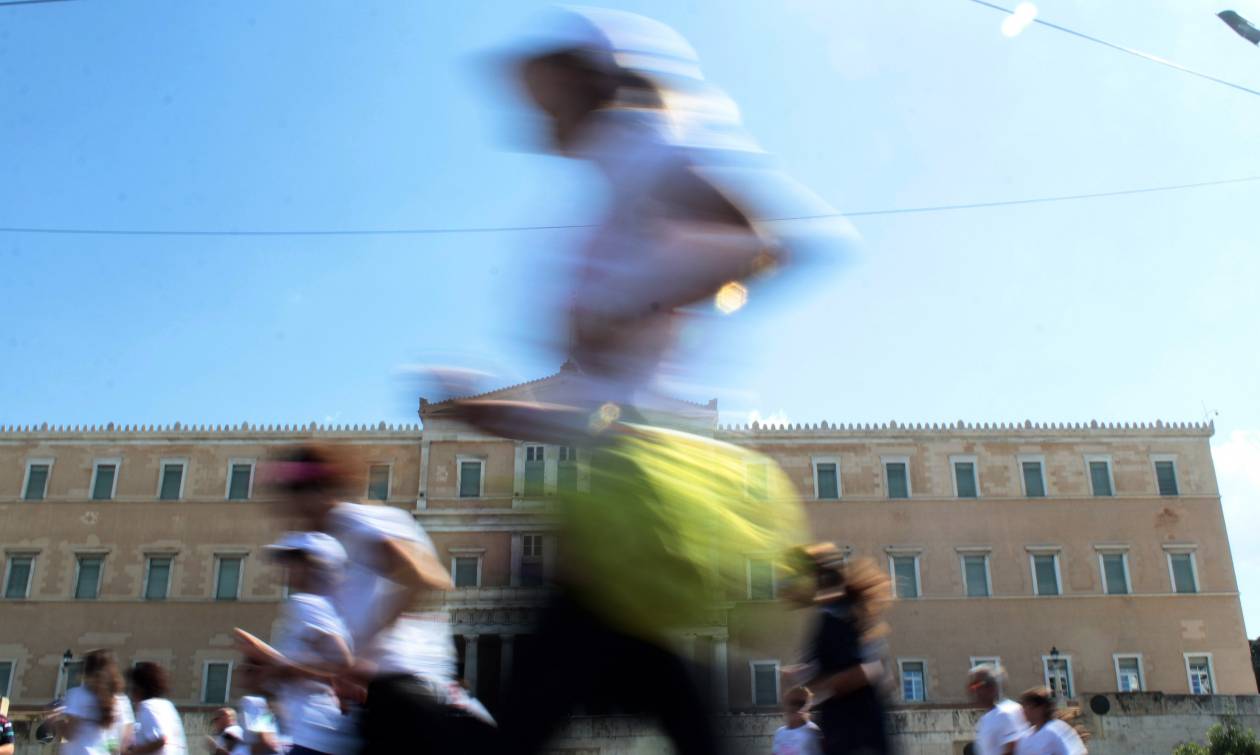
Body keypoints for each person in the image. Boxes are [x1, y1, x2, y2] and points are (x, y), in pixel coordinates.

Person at [260, 444, 494, 754]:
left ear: (313, 492)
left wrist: (364, 652)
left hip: (404, 695)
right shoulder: (337, 540)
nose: (288, 513)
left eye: (289, 499)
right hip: (383, 699)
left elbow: (427, 576)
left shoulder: (357, 523)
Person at [235, 531, 357, 755]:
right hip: (320, 733)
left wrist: (278, 666)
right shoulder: (332, 608)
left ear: (311, 567)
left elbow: (341, 662)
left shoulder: (306, 604)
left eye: (292, 562)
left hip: (312, 735)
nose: (286, 570)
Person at [781, 545, 892, 755]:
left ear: (812, 580)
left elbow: (871, 669)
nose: (783, 587)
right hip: (844, 735)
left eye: (790, 579)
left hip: (860, 737)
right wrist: (805, 676)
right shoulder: (829, 619)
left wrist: (818, 680)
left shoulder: (843, 617)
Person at [59, 649, 135, 755]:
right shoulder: (122, 700)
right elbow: (127, 741)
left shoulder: (78, 694)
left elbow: (69, 734)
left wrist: (53, 722)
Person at [123, 663, 186, 755]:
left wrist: (132, 753)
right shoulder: (167, 706)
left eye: (130, 688)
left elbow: (160, 739)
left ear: (138, 688)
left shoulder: (148, 706)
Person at [969, 664, 1028, 755]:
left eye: (978, 685)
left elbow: (1012, 749)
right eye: (972, 686)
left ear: (992, 687)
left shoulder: (1006, 713)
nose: (974, 691)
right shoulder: (985, 719)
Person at [1015, 687, 1087, 755]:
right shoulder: (1025, 735)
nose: (1023, 711)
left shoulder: (1056, 728)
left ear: (1040, 708)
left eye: (1026, 706)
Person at [773, 687, 822, 755]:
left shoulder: (812, 731)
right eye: (792, 702)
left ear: (808, 705)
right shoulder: (780, 733)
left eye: (801, 703)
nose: (795, 707)